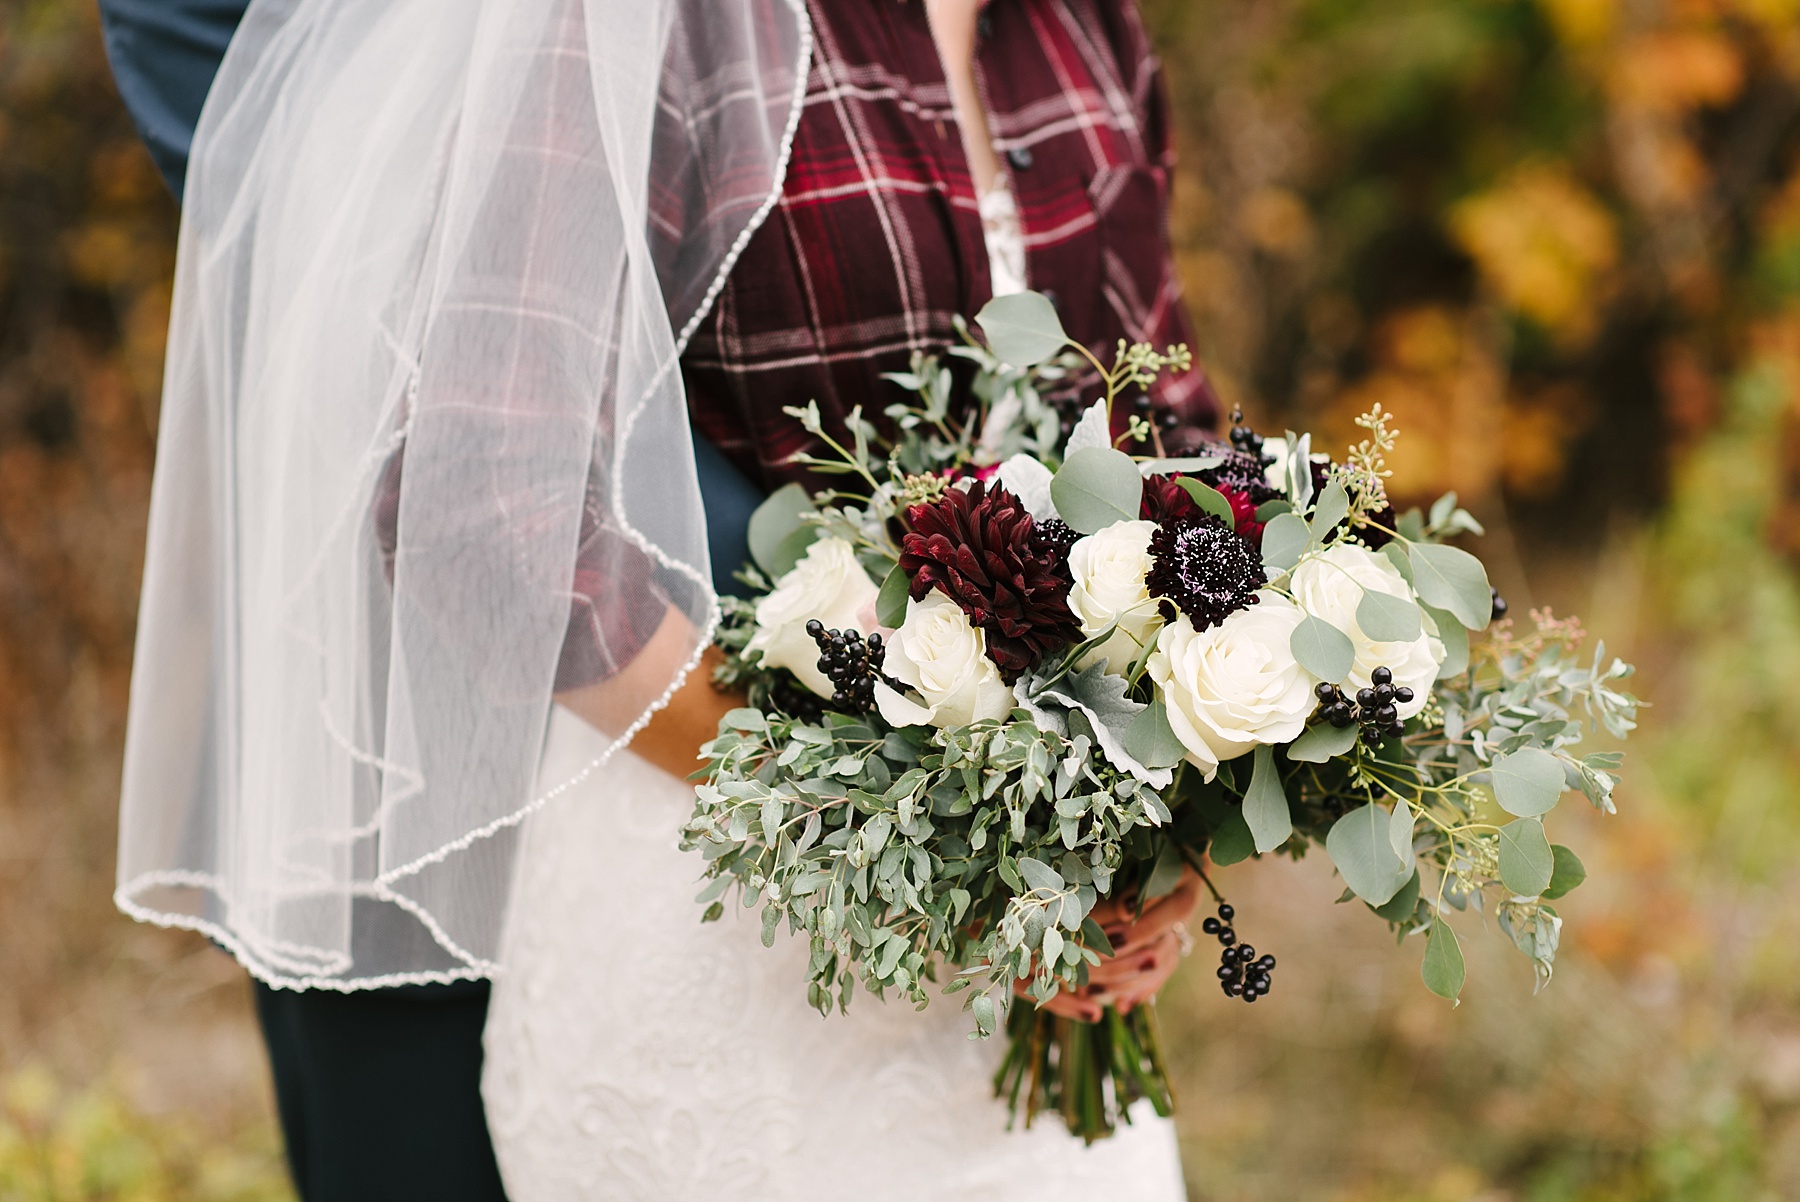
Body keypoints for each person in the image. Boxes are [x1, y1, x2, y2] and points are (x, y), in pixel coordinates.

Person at [104, 0, 1210, 1197]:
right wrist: (915, 837)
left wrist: (1167, 822)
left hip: (1021, 958)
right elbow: (483, 502)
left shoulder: (1083, 27)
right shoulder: (644, 27)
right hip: (723, 855)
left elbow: (1172, 434)